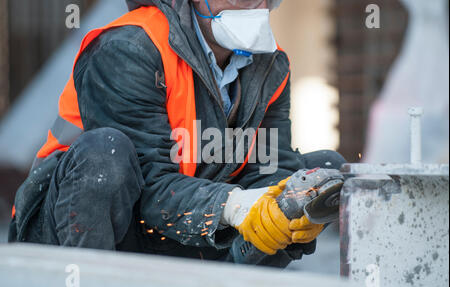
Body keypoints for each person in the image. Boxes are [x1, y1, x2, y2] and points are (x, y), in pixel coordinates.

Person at [9, 0, 346, 268]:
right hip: (88, 227)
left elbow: (273, 168)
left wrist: (283, 209)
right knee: (105, 154)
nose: (254, 8)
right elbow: (150, 183)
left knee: (316, 178)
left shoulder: (271, 65)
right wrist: (237, 206)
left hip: (179, 229)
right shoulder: (129, 48)